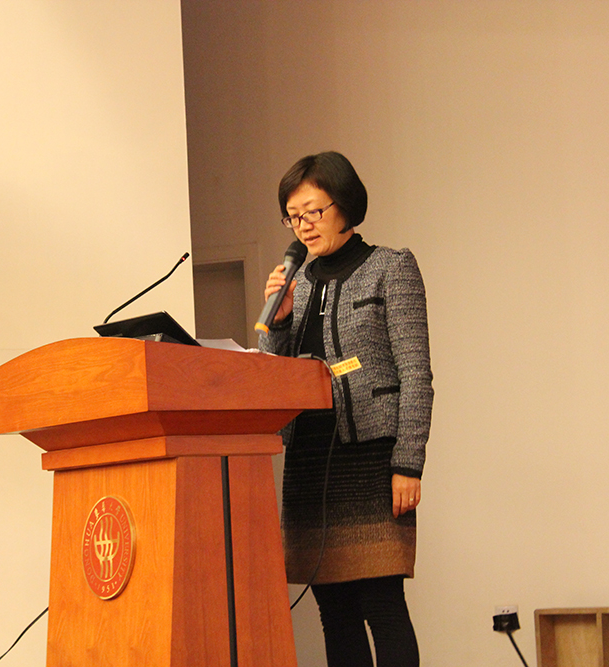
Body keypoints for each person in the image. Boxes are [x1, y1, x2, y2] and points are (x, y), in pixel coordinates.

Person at [259, 152, 433, 667]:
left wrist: (408, 463)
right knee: (333, 613)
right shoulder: (299, 284)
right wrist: (280, 321)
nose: (303, 226)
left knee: (383, 606)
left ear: (345, 205)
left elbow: (415, 373)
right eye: (293, 216)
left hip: (371, 462)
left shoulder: (391, 267)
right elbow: (274, 377)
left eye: (313, 211)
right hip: (310, 464)